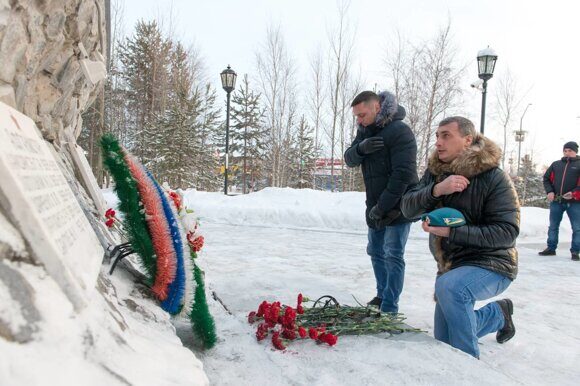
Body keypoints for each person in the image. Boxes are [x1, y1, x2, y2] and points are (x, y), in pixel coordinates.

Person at [401, 116, 519, 359]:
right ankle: (498, 314)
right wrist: (436, 190)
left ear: (467, 140)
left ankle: (468, 374)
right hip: (451, 267)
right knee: (445, 341)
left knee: (450, 288)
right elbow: (407, 208)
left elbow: (507, 232)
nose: (438, 142)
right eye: (437, 136)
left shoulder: (494, 178)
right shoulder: (435, 175)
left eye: (446, 136)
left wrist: (452, 232)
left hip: (493, 264)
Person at [344, 90, 418, 313]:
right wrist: (360, 148)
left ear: (377, 107)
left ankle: (389, 307)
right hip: (374, 204)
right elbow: (349, 159)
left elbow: (403, 175)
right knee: (376, 251)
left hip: (399, 206)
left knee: (393, 254)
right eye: (356, 116)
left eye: (362, 115)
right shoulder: (365, 131)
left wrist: (383, 207)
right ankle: (381, 294)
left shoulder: (401, 131)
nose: (358, 120)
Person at [538, 141, 580, 261]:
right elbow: (546, 179)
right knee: (553, 226)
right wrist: (550, 191)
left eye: (570, 151)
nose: (567, 153)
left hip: (575, 202)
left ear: (575, 152)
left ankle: (575, 251)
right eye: (565, 150)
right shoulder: (556, 164)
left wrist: (573, 193)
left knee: (577, 228)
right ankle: (551, 248)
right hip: (557, 201)